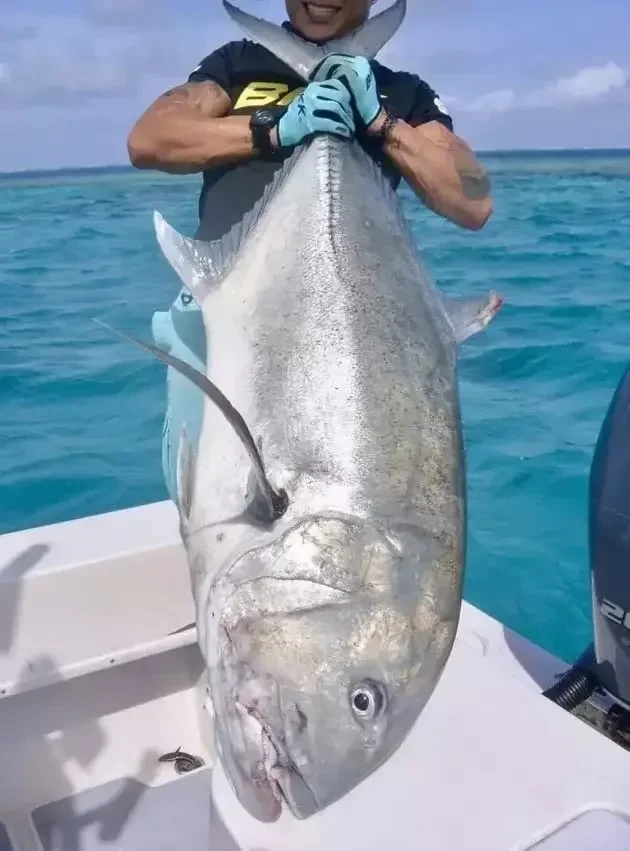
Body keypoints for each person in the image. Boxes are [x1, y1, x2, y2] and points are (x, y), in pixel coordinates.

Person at [126, 0, 493, 503]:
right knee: (209, 495)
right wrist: (272, 127)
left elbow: (473, 202)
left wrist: (383, 123)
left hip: (349, 335)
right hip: (223, 313)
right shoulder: (235, 66)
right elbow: (150, 139)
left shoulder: (404, 94)